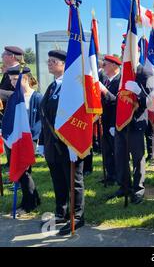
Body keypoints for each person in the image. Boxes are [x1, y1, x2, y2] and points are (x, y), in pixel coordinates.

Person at [38, 50, 85, 235]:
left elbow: (81, 115)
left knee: (74, 181)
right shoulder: (51, 86)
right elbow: (44, 117)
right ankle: (62, 211)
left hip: (69, 143)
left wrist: (76, 142)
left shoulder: (73, 86)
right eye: (48, 61)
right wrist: (42, 142)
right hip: (52, 143)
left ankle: (78, 216)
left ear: (65, 65)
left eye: (54, 61)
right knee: (57, 179)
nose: (49, 63)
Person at [110, 63, 153, 204]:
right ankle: (124, 186)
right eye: (122, 50)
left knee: (137, 157)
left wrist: (139, 92)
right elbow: (117, 100)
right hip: (120, 123)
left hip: (136, 121)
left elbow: (152, 100)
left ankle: (138, 189)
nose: (124, 52)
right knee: (120, 155)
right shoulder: (122, 73)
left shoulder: (144, 72)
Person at [5, 66, 42, 215]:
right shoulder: (14, 97)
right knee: (20, 171)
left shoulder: (37, 97)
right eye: (11, 80)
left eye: (15, 79)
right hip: (16, 138)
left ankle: (29, 204)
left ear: (25, 79)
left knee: (24, 170)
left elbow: (41, 119)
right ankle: (34, 198)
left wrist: (36, 138)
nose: (13, 83)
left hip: (30, 138)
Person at [98, 55, 122, 185]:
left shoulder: (120, 81)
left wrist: (104, 90)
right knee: (106, 150)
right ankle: (110, 175)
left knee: (116, 151)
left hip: (115, 121)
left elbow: (117, 102)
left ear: (114, 65)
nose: (103, 67)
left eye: (105, 64)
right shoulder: (107, 80)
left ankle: (119, 176)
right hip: (105, 120)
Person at [1, 46, 25, 169]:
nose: (1, 56)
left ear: (12, 57)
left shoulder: (20, 71)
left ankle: (14, 165)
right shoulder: (9, 71)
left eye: (4, 54)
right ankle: (10, 163)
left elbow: (22, 94)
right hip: (6, 110)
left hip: (16, 111)